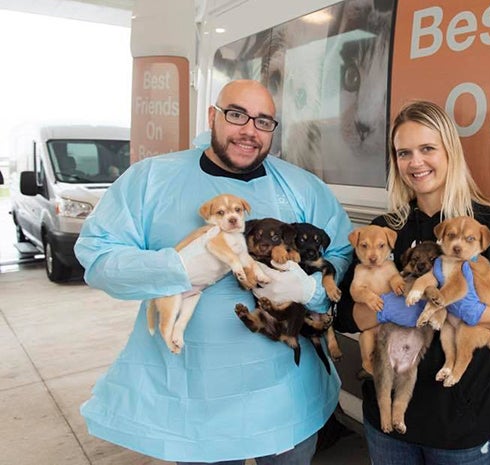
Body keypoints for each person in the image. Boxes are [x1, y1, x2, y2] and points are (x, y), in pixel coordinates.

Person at [74, 79, 354, 464]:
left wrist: (309, 289)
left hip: (285, 398)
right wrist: (176, 267)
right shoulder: (151, 180)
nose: (249, 131)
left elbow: (341, 251)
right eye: (237, 115)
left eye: (264, 121)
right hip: (196, 403)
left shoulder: (302, 188)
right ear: (213, 117)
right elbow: (98, 255)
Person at [335, 100, 490, 464]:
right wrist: (381, 308)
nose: (415, 163)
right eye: (404, 153)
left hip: (461, 429)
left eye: (427, 149)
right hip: (388, 419)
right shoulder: (387, 229)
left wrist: (476, 311)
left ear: (450, 151)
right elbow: (342, 315)